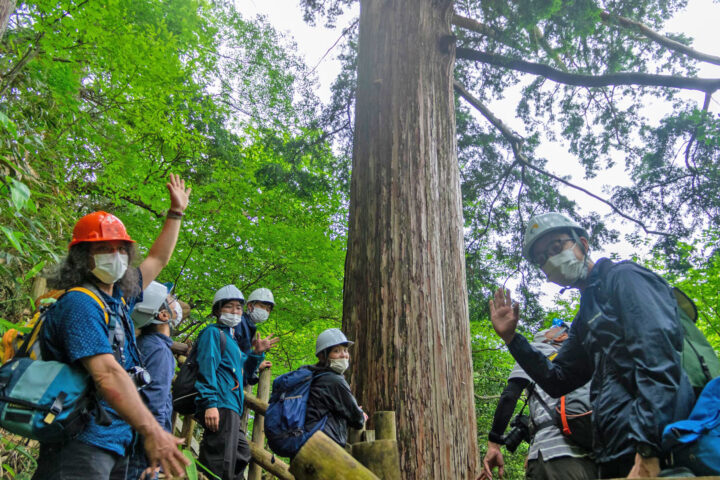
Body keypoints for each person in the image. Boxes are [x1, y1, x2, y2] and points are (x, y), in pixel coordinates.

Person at [489, 212, 694, 479]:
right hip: (614, 455)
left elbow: (659, 362)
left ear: (582, 245)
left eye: (556, 247)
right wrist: (513, 339)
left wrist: (648, 450)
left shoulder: (624, 278)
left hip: (656, 452)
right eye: (542, 259)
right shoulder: (586, 314)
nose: (550, 261)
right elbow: (558, 380)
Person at [34, 174, 191, 479]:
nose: (116, 257)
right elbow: (107, 373)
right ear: (82, 258)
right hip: (79, 443)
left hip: (112, 443)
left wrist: (176, 213)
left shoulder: (117, 301)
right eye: (104, 249)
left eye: (121, 249)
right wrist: (153, 431)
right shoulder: (80, 304)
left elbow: (158, 259)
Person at [480, 322, 596, 480]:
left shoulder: (539, 352)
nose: (549, 328)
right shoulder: (586, 365)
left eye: (555, 326)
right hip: (589, 461)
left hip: (552, 456)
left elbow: (509, 396)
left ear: (562, 335)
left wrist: (494, 443)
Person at [194, 285, 279, 480]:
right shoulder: (213, 333)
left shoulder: (231, 340)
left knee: (241, 454)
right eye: (229, 307)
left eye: (238, 308)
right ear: (217, 310)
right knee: (218, 461)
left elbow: (244, 372)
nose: (235, 311)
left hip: (233, 404)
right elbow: (207, 368)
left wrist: (256, 354)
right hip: (221, 402)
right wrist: (210, 404)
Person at [127, 281, 184, 480]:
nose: (177, 303)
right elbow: (155, 403)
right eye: (171, 300)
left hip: (131, 440)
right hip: (142, 448)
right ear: (163, 315)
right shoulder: (160, 351)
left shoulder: (141, 344)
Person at [304, 328, 367, 448]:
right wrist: (361, 415)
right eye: (336, 351)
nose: (344, 355)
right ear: (323, 356)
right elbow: (357, 419)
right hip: (323, 447)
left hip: (307, 443)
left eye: (345, 350)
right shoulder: (334, 381)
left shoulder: (314, 375)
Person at [234, 287, 275, 385]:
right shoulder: (238, 322)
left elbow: (244, 363)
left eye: (268, 309)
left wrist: (256, 361)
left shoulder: (249, 328)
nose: (265, 311)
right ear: (250, 306)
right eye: (262, 306)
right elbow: (234, 358)